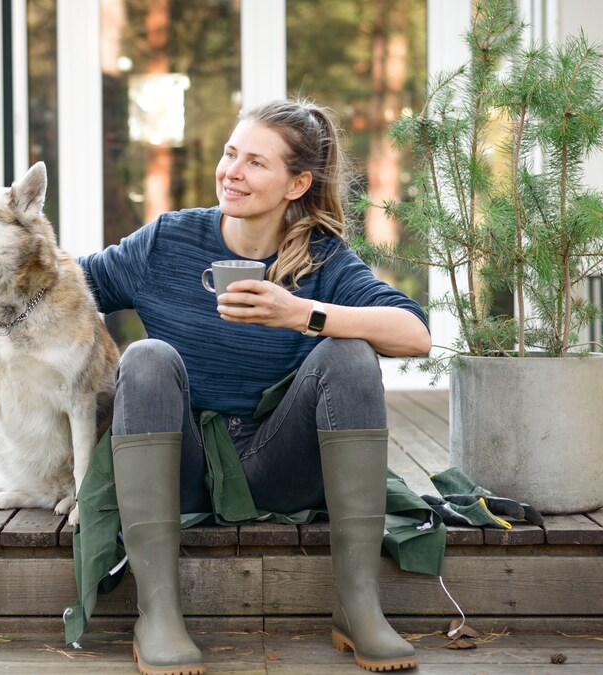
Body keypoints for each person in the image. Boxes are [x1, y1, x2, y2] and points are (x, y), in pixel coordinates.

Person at [78, 99, 431, 674]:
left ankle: (358, 606)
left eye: (255, 163)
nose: (231, 172)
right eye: (229, 153)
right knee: (146, 357)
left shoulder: (323, 260)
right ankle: (158, 613)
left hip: (279, 468)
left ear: (297, 183)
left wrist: (302, 313)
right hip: (182, 468)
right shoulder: (167, 240)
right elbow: (69, 284)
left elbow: (414, 335)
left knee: (349, 353)